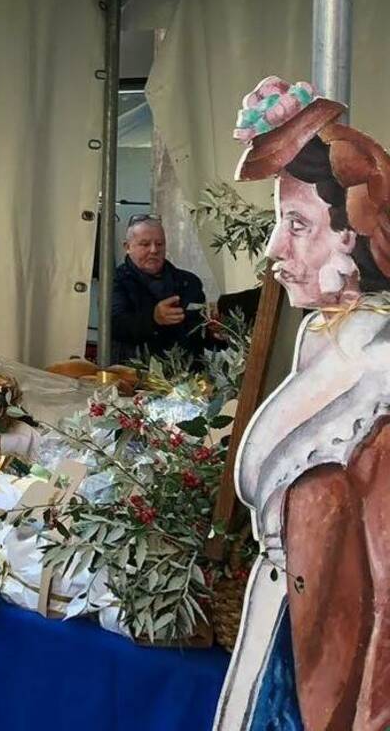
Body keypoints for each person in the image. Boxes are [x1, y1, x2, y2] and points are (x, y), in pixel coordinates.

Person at [216, 76, 390, 731]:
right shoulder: (325, 339)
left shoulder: (380, 389)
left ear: (352, 238)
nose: (273, 251)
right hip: (283, 662)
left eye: (296, 225)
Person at [110, 215, 210, 364]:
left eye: (159, 244)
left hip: (188, 377)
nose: (154, 250)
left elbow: (199, 331)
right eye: (144, 244)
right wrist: (153, 319)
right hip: (135, 374)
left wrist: (215, 332)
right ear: (127, 247)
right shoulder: (115, 281)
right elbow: (115, 325)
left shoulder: (189, 282)